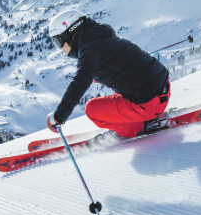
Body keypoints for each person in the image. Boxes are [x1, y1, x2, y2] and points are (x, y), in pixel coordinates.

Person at [46, 9, 171, 139]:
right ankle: (147, 118)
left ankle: (137, 128)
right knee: (118, 96)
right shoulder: (99, 36)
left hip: (148, 103)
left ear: (69, 33)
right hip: (162, 86)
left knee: (92, 109)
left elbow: (80, 81)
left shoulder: (89, 48)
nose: (60, 48)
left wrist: (59, 116)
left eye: (58, 42)